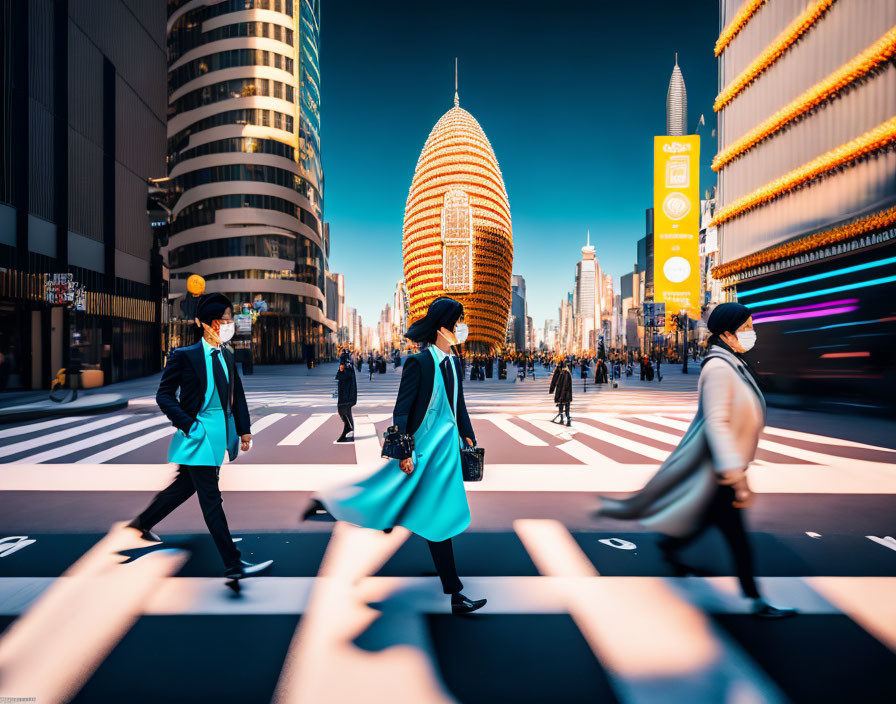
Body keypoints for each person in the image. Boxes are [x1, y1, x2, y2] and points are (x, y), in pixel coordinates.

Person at [596, 303, 795, 619]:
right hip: (722, 471)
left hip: (723, 469)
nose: (751, 331)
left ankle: (671, 548)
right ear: (728, 333)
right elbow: (716, 422)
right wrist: (734, 474)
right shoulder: (718, 368)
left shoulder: (733, 364)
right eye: (747, 326)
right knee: (737, 539)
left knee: (707, 522)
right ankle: (756, 600)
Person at [304, 297, 486, 615]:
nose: (461, 328)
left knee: (430, 514)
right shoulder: (419, 362)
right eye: (458, 323)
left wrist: (467, 433)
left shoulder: (455, 362)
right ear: (443, 327)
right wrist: (404, 450)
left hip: (446, 455)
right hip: (423, 449)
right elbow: (401, 409)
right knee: (396, 500)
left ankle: (454, 591)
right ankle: (331, 505)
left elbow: (460, 404)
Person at [127, 293, 272, 581]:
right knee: (211, 498)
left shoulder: (227, 355)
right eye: (225, 321)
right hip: (198, 437)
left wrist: (244, 429)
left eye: (230, 320)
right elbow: (164, 395)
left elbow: (237, 395)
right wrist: (188, 424)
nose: (229, 325)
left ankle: (142, 523)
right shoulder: (184, 356)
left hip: (219, 437)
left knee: (184, 486)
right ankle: (233, 564)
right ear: (209, 324)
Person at [336, 349, 357, 443]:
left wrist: (341, 370)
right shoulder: (348, 366)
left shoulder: (346, 367)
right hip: (347, 395)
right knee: (345, 413)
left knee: (343, 412)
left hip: (346, 396)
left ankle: (349, 429)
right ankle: (348, 429)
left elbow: (342, 377)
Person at [549, 360, 572, 426]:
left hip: (564, 394)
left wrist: (562, 395)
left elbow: (565, 385)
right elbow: (554, 380)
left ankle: (567, 420)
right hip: (564, 394)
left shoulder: (565, 373)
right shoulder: (563, 372)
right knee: (563, 407)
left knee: (565, 407)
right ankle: (563, 419)